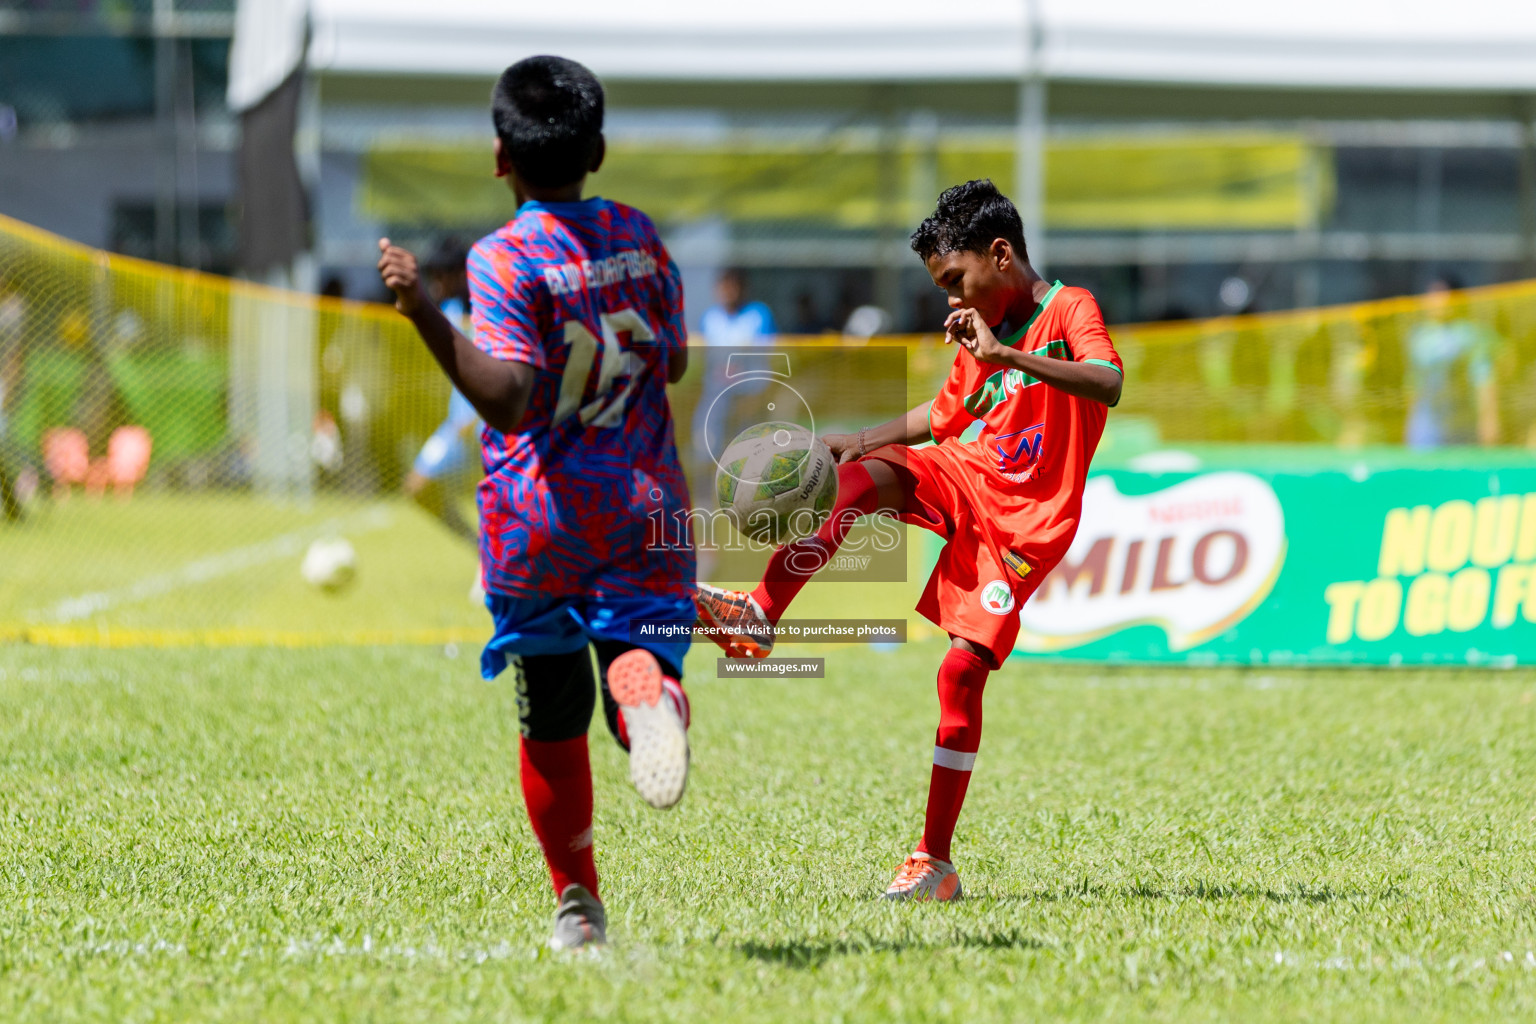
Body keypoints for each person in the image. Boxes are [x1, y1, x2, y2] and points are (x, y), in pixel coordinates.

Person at [695, 179, 1124, 902]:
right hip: (967, 473)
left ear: (1000, 254)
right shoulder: (976, 328)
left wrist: (1009, 357)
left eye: (956, 281)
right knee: (859, 482)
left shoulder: (1069, 308)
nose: (952, 300)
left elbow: (1107, 381)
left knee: (959, 676)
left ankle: (935, 861)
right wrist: (856, 441)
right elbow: (947, 415)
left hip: (1026, 523)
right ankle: (759, 614)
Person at [377, 55, 696, 951]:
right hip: (644, 506)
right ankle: (647, 690)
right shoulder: (639, 234)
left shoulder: (504, 256)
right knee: (640, 660)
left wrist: (425, 314)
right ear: (597, 148)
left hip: (542, 513)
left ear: (497, 157)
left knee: (550, 709)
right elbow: (669, 362)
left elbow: (511, 398)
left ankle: (578, 906)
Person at [403, 239, 482, 545]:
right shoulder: (448, 311)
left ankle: (502, 565)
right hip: (457, 427)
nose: (435, 284)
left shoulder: (490, 309)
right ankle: (480, 550)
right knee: (417, 488)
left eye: (441, 275)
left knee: (504, 500)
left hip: (492, 425)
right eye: (432, 276)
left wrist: (477, 416)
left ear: (462, 275)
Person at [1405, 275, 1502, 448]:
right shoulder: (1419, 336)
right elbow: (1415, 384)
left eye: (1442, 295)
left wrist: (1488, 419)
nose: (1436, 301)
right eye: (1432, 295)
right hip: (1426, 426)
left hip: (1460, 423)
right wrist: (1410, 423)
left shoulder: (1470, 334)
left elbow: (1484, 380)